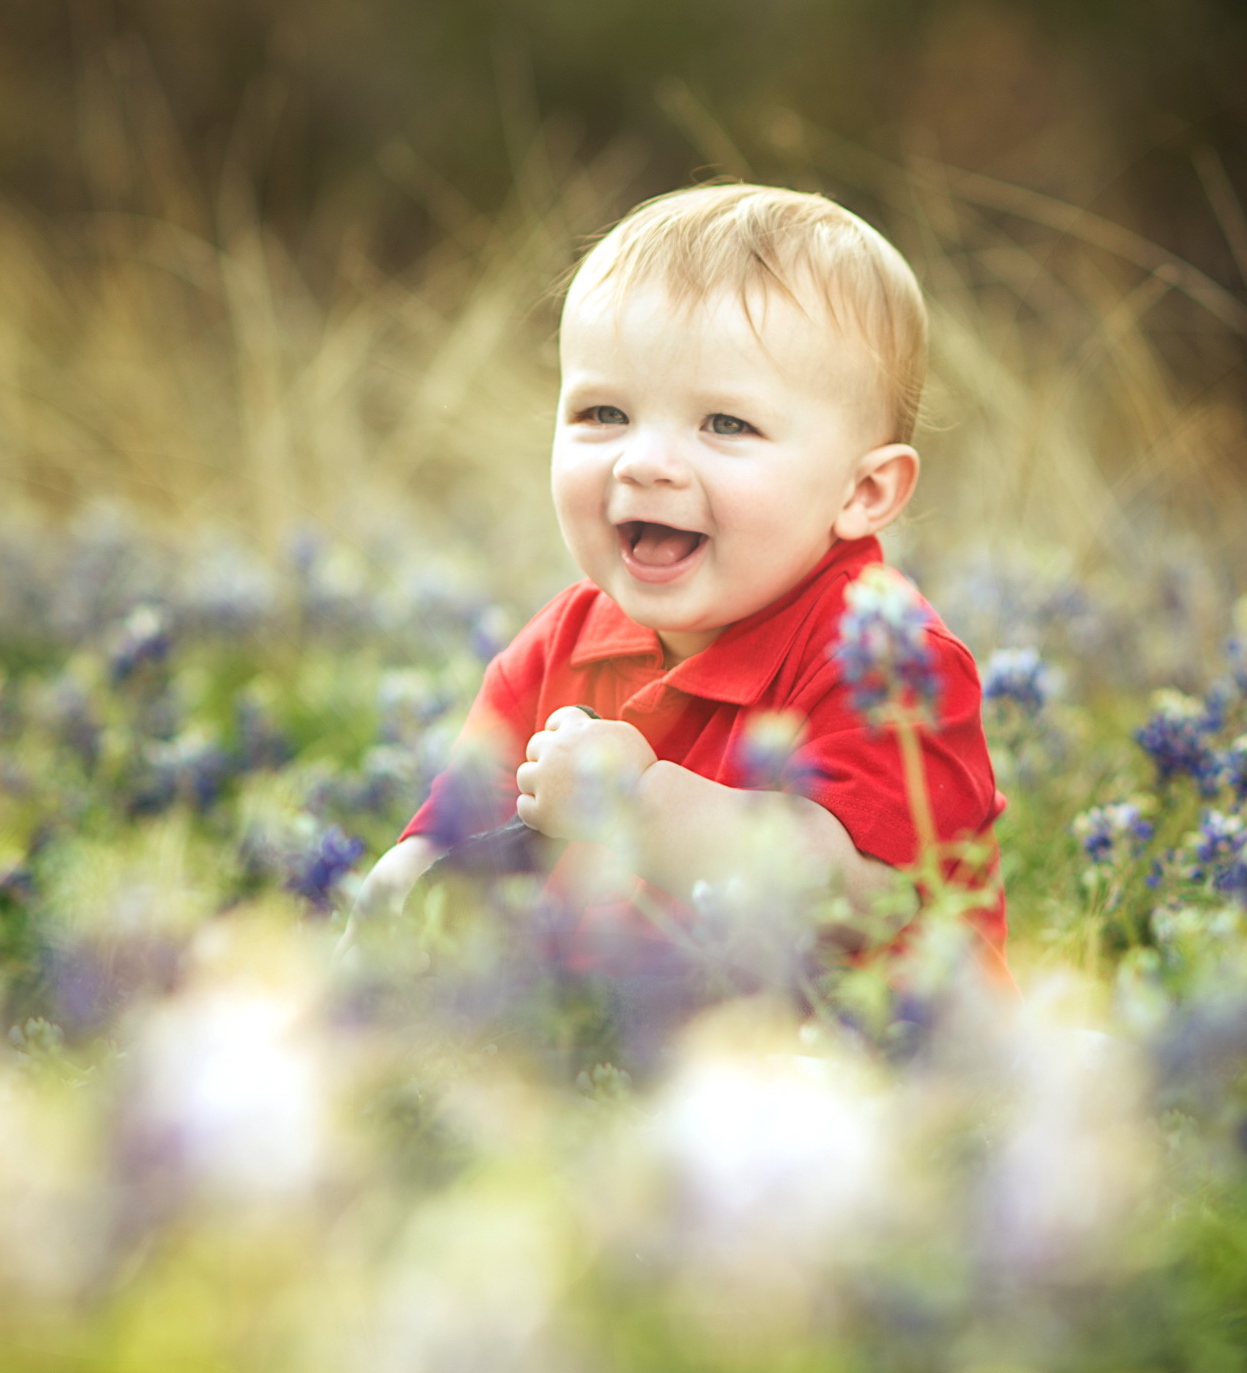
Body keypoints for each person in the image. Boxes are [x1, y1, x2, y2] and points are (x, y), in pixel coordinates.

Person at [356, 183, 1007, 984]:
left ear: (862, 493)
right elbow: (466, 818)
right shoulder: (563, 641)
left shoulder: (888, 662)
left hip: (866, 1067)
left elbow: (861, 896)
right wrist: (409, 875)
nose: (644, 461)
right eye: (602, 413)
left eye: (725, 424)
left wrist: (632, 804)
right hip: (628, 1051)